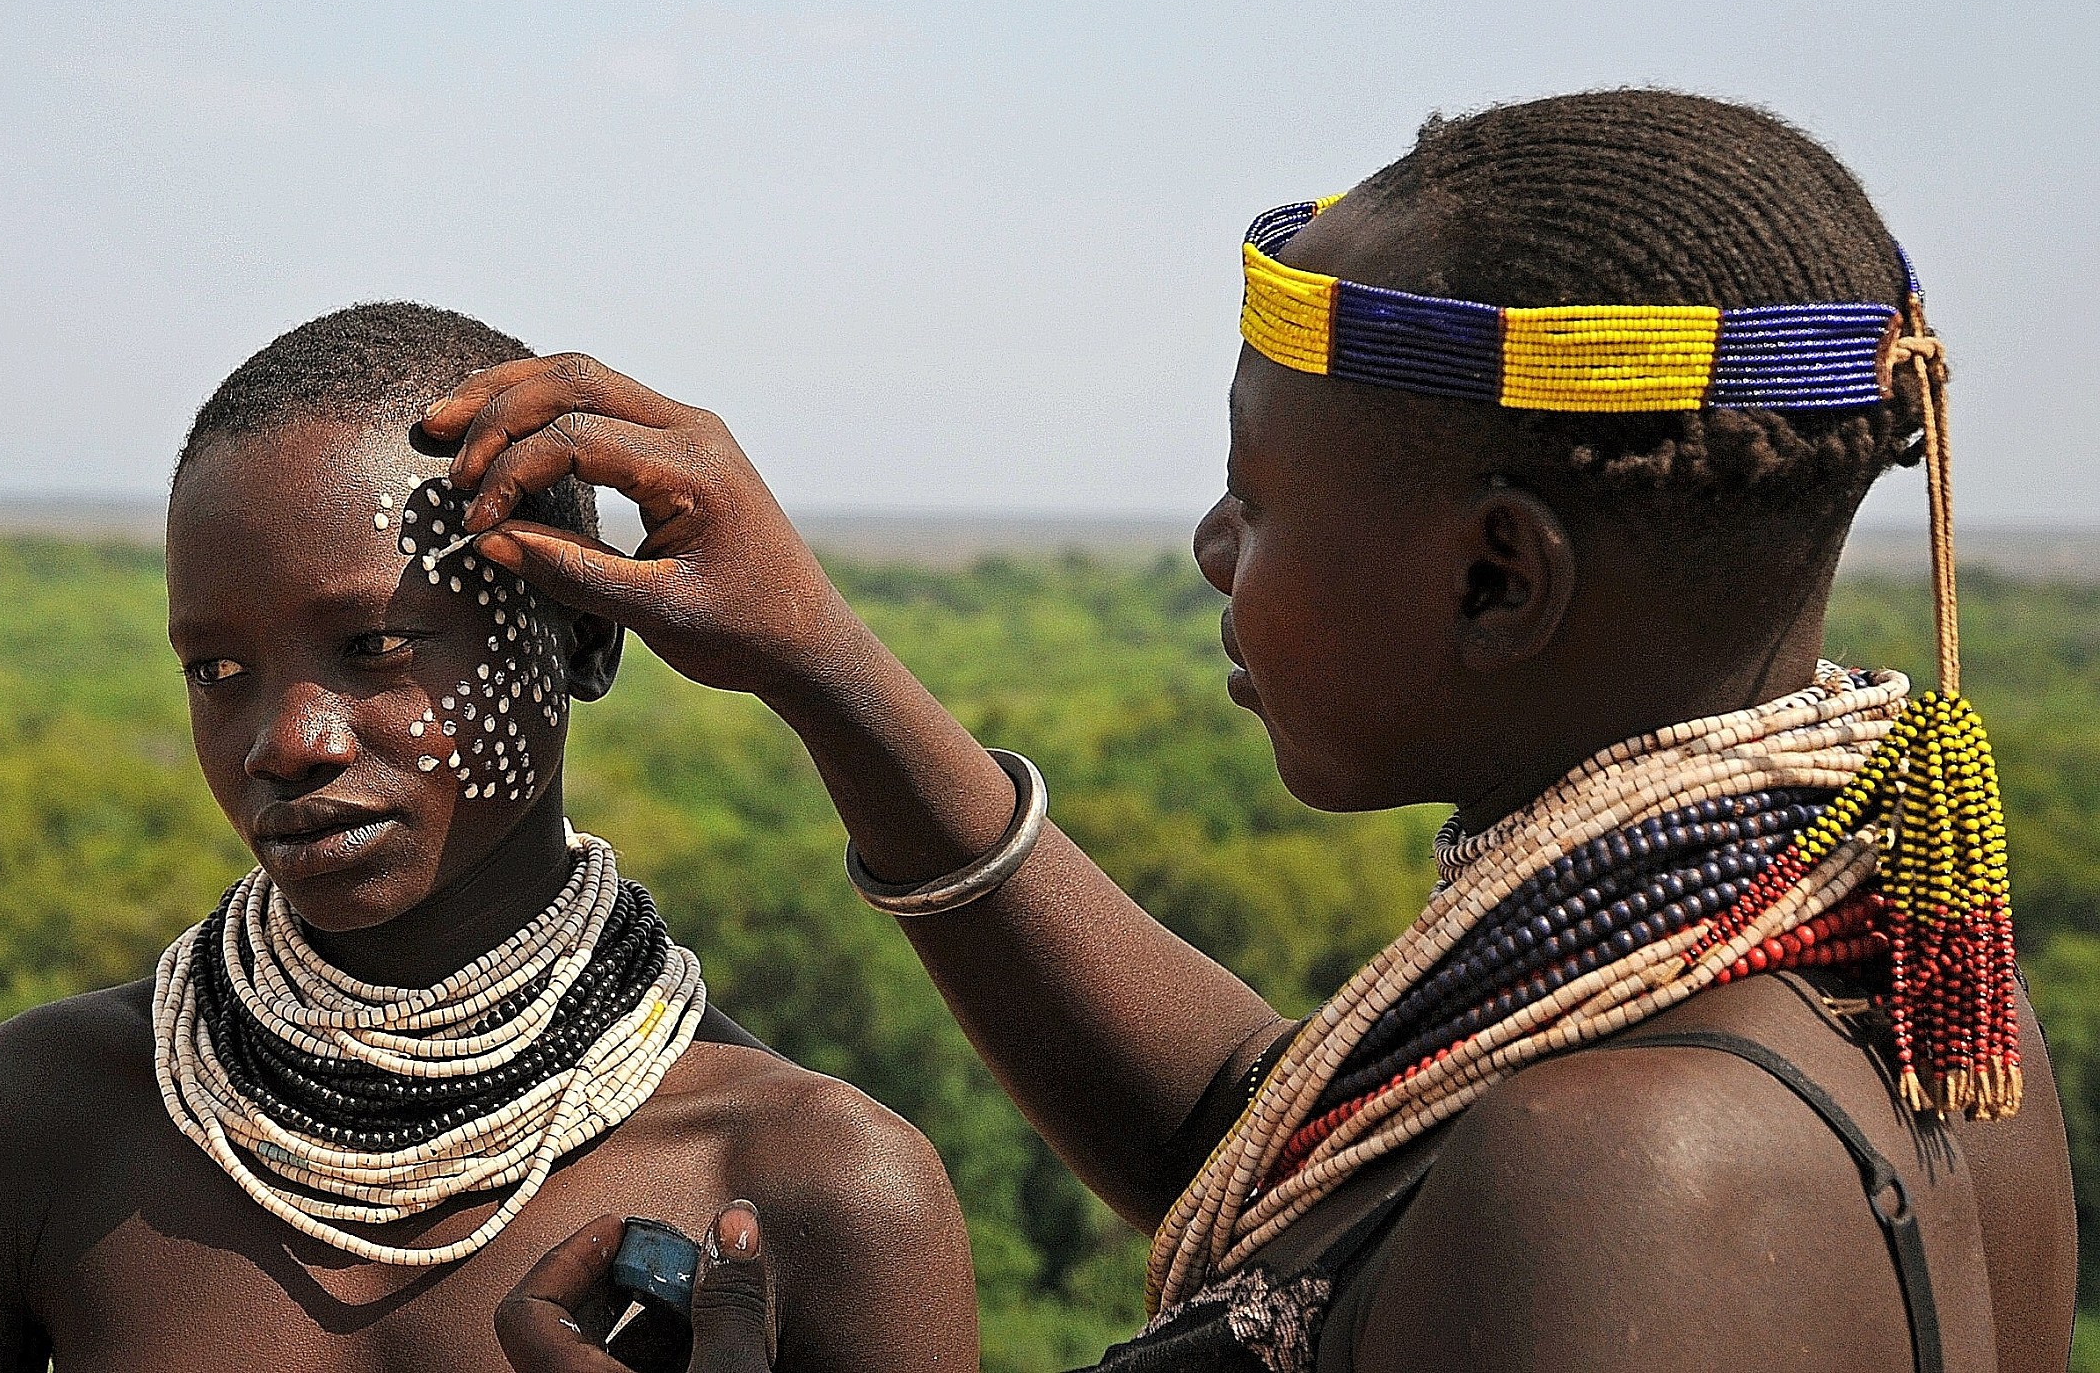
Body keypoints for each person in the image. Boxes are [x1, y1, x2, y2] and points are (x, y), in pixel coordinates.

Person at [432, 91, 2079, 1372]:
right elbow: (1279, 1153)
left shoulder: (1621, 1181)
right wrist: (816, 658)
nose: (1214, 547)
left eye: (1259, 493)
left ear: (1498, 579)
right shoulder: (1916, 1007)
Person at [0, 304, 979, 1372]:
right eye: (217, 670)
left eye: (377, 643)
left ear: (586, 640)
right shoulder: (29, 1128)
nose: (287, 741)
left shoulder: (808, 1186)